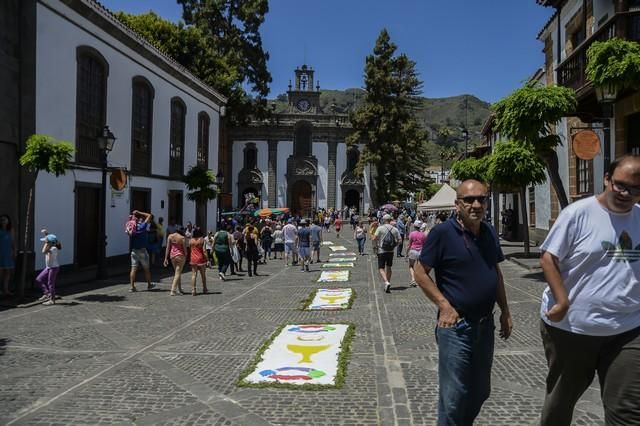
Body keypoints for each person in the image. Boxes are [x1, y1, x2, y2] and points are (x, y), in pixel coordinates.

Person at [538, 155, 640, 426]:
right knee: (561, 402)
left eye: (634, 189)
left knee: (628, 410)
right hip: (572, 329)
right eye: (619, 184)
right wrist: (561, 300)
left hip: (628, 329)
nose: (625, 193)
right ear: (606, 179)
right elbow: (549, 258)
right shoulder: (578, 213)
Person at [413, 179, 512, 425]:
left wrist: (505, 311)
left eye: (481, 199)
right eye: (469, 200)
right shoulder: (442, 233)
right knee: (454, 397)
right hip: (457, 328)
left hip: (485, 325)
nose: (476, 204)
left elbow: (495, 272)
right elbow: (420, 272)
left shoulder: (488, 232)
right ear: (458, 204)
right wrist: (444, 306)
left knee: (481, 391)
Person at [373, 214, 401, 293]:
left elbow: (374, 238)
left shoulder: (380, 228)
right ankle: (388, 283)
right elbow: (400, 240)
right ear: (390, 220)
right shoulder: (395, 229)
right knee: (389, 267)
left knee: (381, 268)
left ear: (384, 220)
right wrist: (394, 246)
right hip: (390, 251)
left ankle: (386, 282)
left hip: (382, 250)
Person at [127, 210, 154, 292]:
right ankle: (149, 285)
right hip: (142, 250)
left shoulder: (132, 228)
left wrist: (132, 218)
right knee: (146, 269)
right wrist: (139, 212)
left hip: (134, 250)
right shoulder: (143, 226)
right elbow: (149, 215)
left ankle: (132, 287)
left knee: (133, 269)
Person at [36, 233, 61, 305]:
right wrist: (46, 233)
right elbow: (50, 239)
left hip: (53, 268)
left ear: (50, 243)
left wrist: (46, 243)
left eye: (46, 242)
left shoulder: (53, 249)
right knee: (39, 279)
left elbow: (43, 251)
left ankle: (52, 300)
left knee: (50, 283)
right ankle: (47, 294)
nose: (45, 243)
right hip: (49, 267)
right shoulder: (51, 247)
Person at [164, 226, 187, 296]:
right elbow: (184, 249)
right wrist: (186, 255)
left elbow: (167, 248)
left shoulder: (170, 236)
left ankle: (179, 289)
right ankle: (173, 290)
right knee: (178, 273)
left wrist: (165, 258)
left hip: (172, 256)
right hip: (180, 255)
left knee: (177, 273)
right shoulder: (182, 238)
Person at [405, 220, 427, 287]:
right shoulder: (423, 235)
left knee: (411, 266)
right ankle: (420, 280)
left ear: (414, 226)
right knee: (419, 267)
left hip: (413, 251)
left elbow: (409, 244)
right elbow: (425, 244)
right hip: (421, 251)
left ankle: (413, 279)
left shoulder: (412, 234)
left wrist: (406, 254)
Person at [0, 214, 16, 297]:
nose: (3, 221)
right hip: (1, 252)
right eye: (2, 220)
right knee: (1, 272)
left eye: (5, 219)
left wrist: (14, 251)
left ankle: (6, 290)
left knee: (8, 272)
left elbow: (13, 241)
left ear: (8, 221)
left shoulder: (11, 230)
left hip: (8, 253)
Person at [189, 228, 208, 295]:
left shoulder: (191, 240)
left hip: (193, 258)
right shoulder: (202, 240)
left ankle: (193, 290)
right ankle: (204, 288)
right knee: (203, 275)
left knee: (194, 275)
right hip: (201, 259)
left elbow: (190, 249)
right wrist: (207, 259)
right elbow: (204, 251)